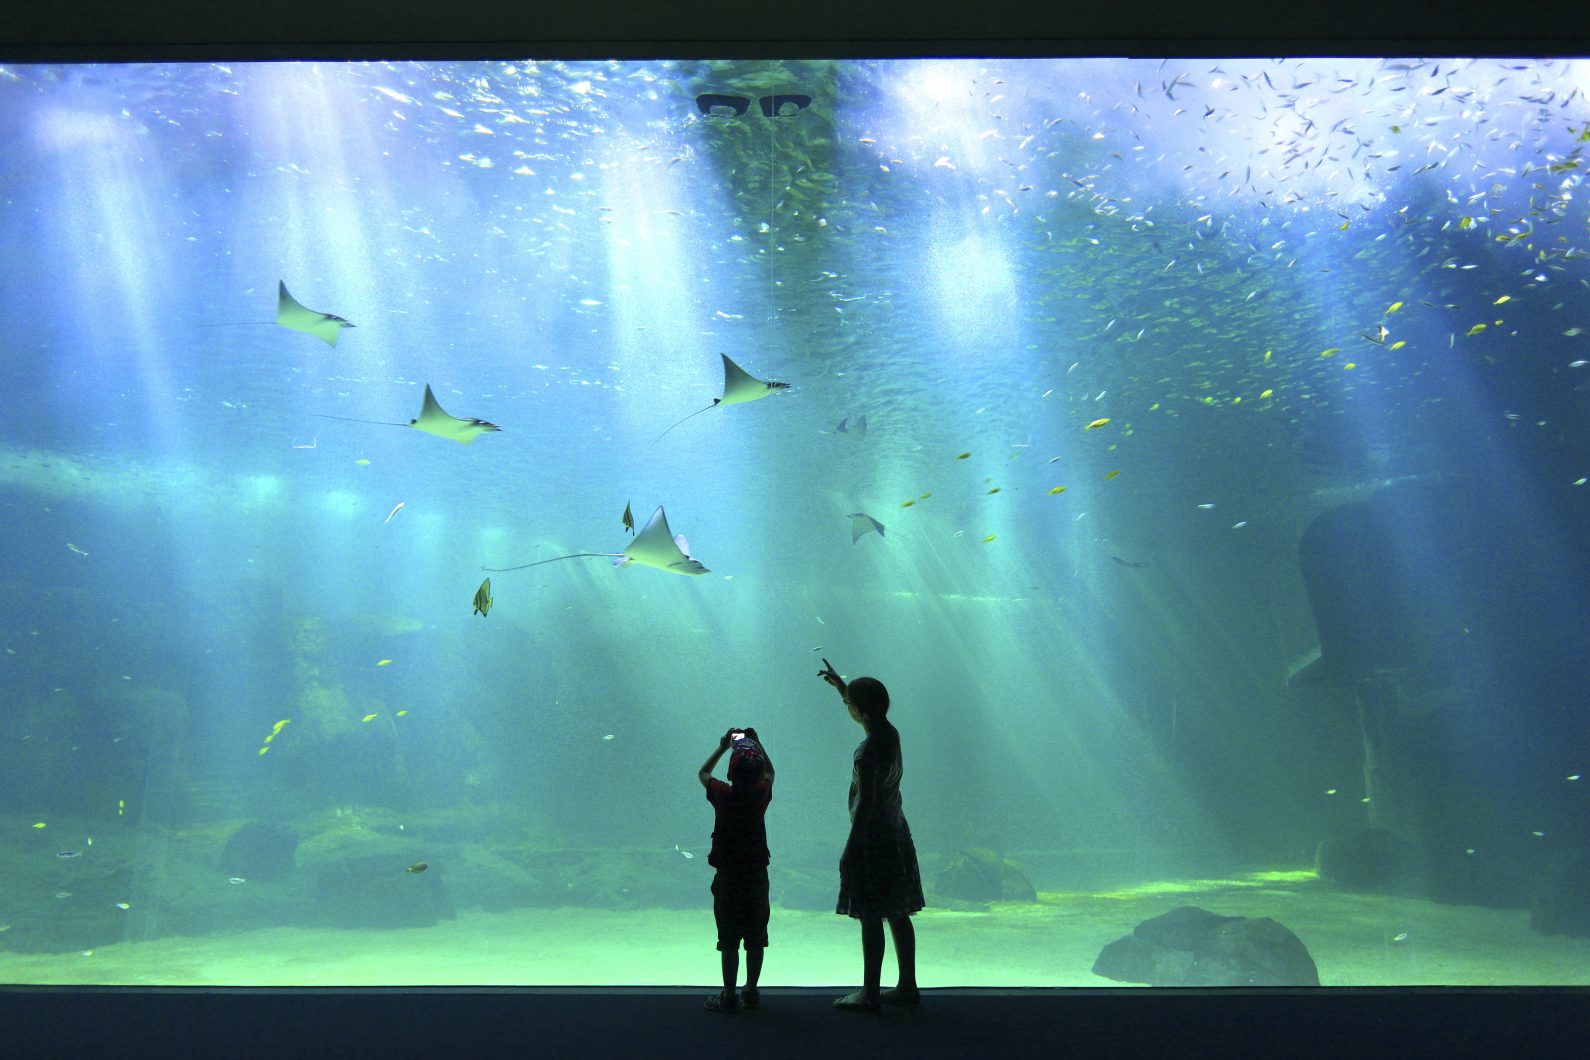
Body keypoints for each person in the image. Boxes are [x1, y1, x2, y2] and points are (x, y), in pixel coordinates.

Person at [817, 659, 923, 1013]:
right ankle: (907, 985)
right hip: (896, 831)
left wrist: (851, 848)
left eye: (849, 705)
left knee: (870, 915)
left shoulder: (865, 754)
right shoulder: (890, 733)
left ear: (859, 711)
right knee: (897, 912)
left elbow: (866, 805)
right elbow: (866, 714)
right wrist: (842, 691)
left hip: (873, 840)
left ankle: (870, 993)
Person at [698, 725, 775, 1012]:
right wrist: (757, 742)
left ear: (731, 774)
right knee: (756, 939)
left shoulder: (723, 794)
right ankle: (751, 990)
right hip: (756, 877)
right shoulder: (760, 795)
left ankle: (729, 994)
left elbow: (703, 773)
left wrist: (722, 747)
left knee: (728, 939)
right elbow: (771, 774)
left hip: (728, 877)